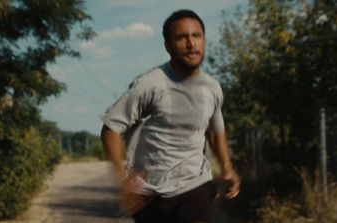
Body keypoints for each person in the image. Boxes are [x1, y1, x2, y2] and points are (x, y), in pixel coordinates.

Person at [101, 9, 240, 223]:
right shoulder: (150, 84)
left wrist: (227, 168)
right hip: (150, 194)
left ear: (203, 40)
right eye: (181, 37)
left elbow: (214, 130)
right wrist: (123, 180)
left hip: (194, 186)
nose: (191, 44)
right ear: (168, 46)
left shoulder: (212, 88)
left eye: (196, 36)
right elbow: (111, 129)